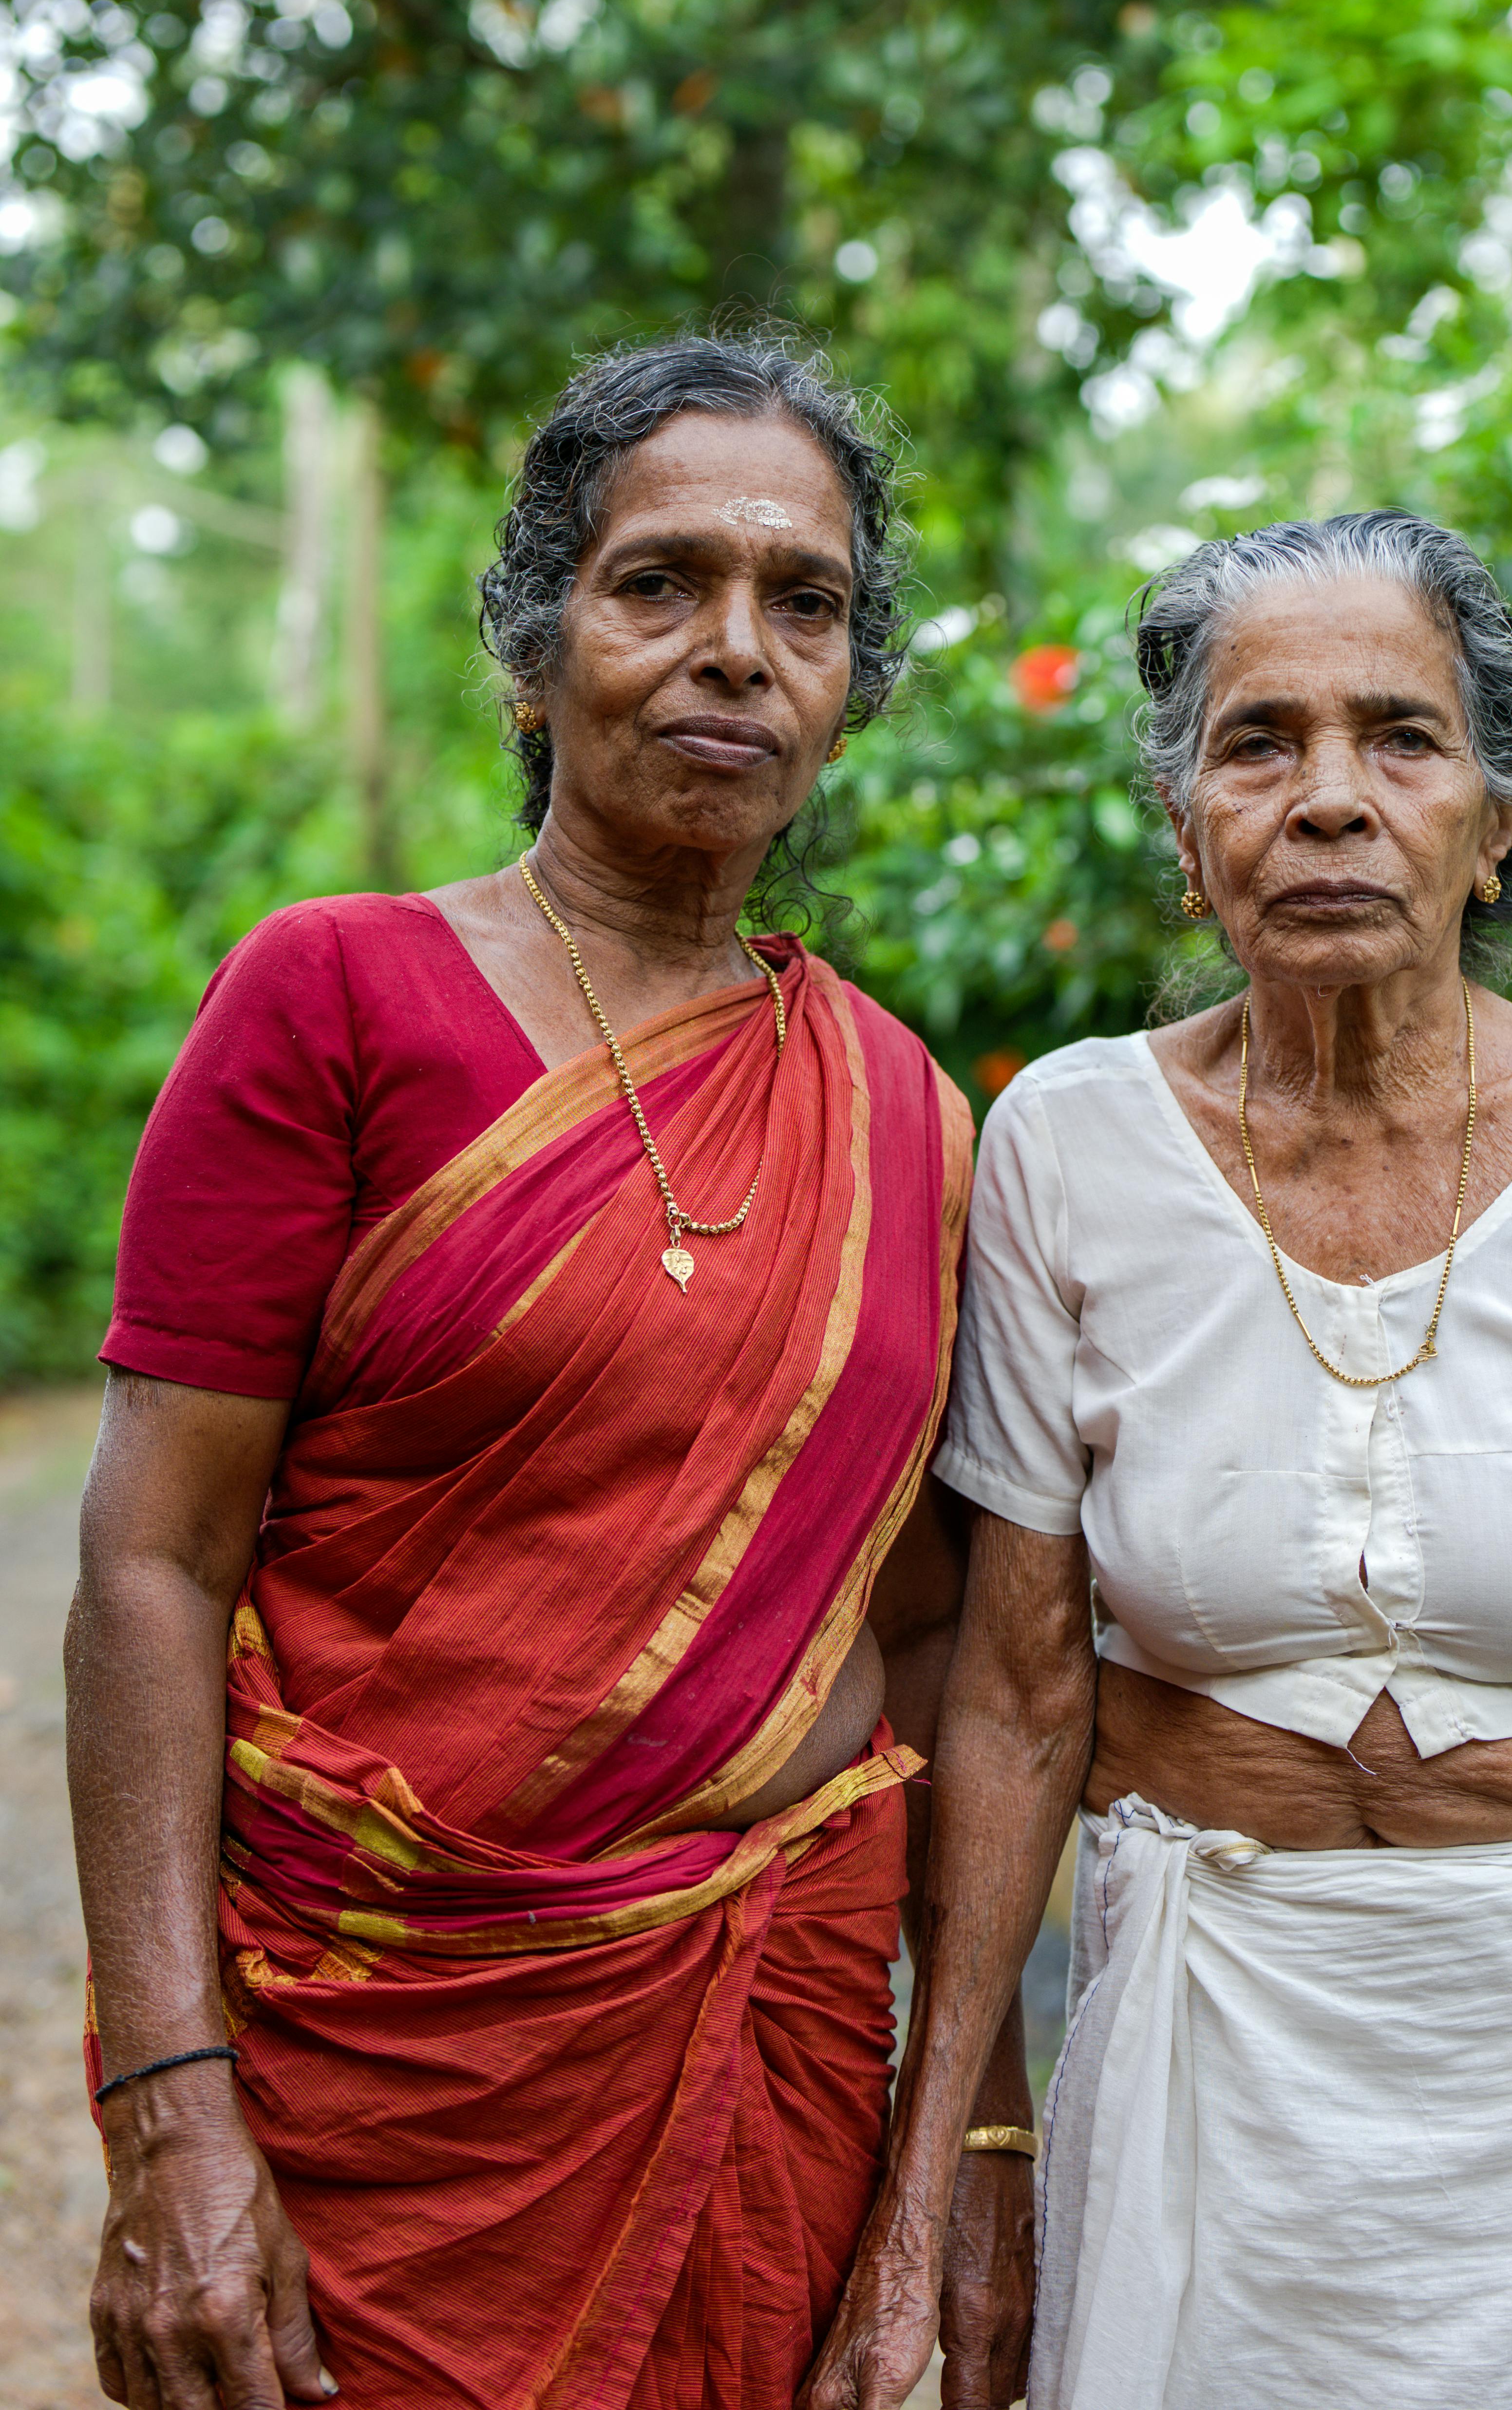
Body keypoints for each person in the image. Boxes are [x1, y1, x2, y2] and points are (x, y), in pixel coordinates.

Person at [66, 334, 1035, 2410]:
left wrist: (972, 2141)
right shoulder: (331, 1000)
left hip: (765, 2060)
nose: (734, 652)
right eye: (656, 583)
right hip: (387, 2082)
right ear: (535, 651)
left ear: (853, 688)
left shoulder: (902, 1119)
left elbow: (939, 1641)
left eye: (807, 604)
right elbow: (154, 1566)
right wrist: (168, 2101)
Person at [813, 509, 1512, 2410]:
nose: (1327, 802)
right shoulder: (1067, 1146)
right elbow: (1016, 1697)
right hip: (1205, 2047)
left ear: (1494, 820)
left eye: (1399, 739)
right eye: (1255, 744)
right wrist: (949, 2183)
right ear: (1185, 824)